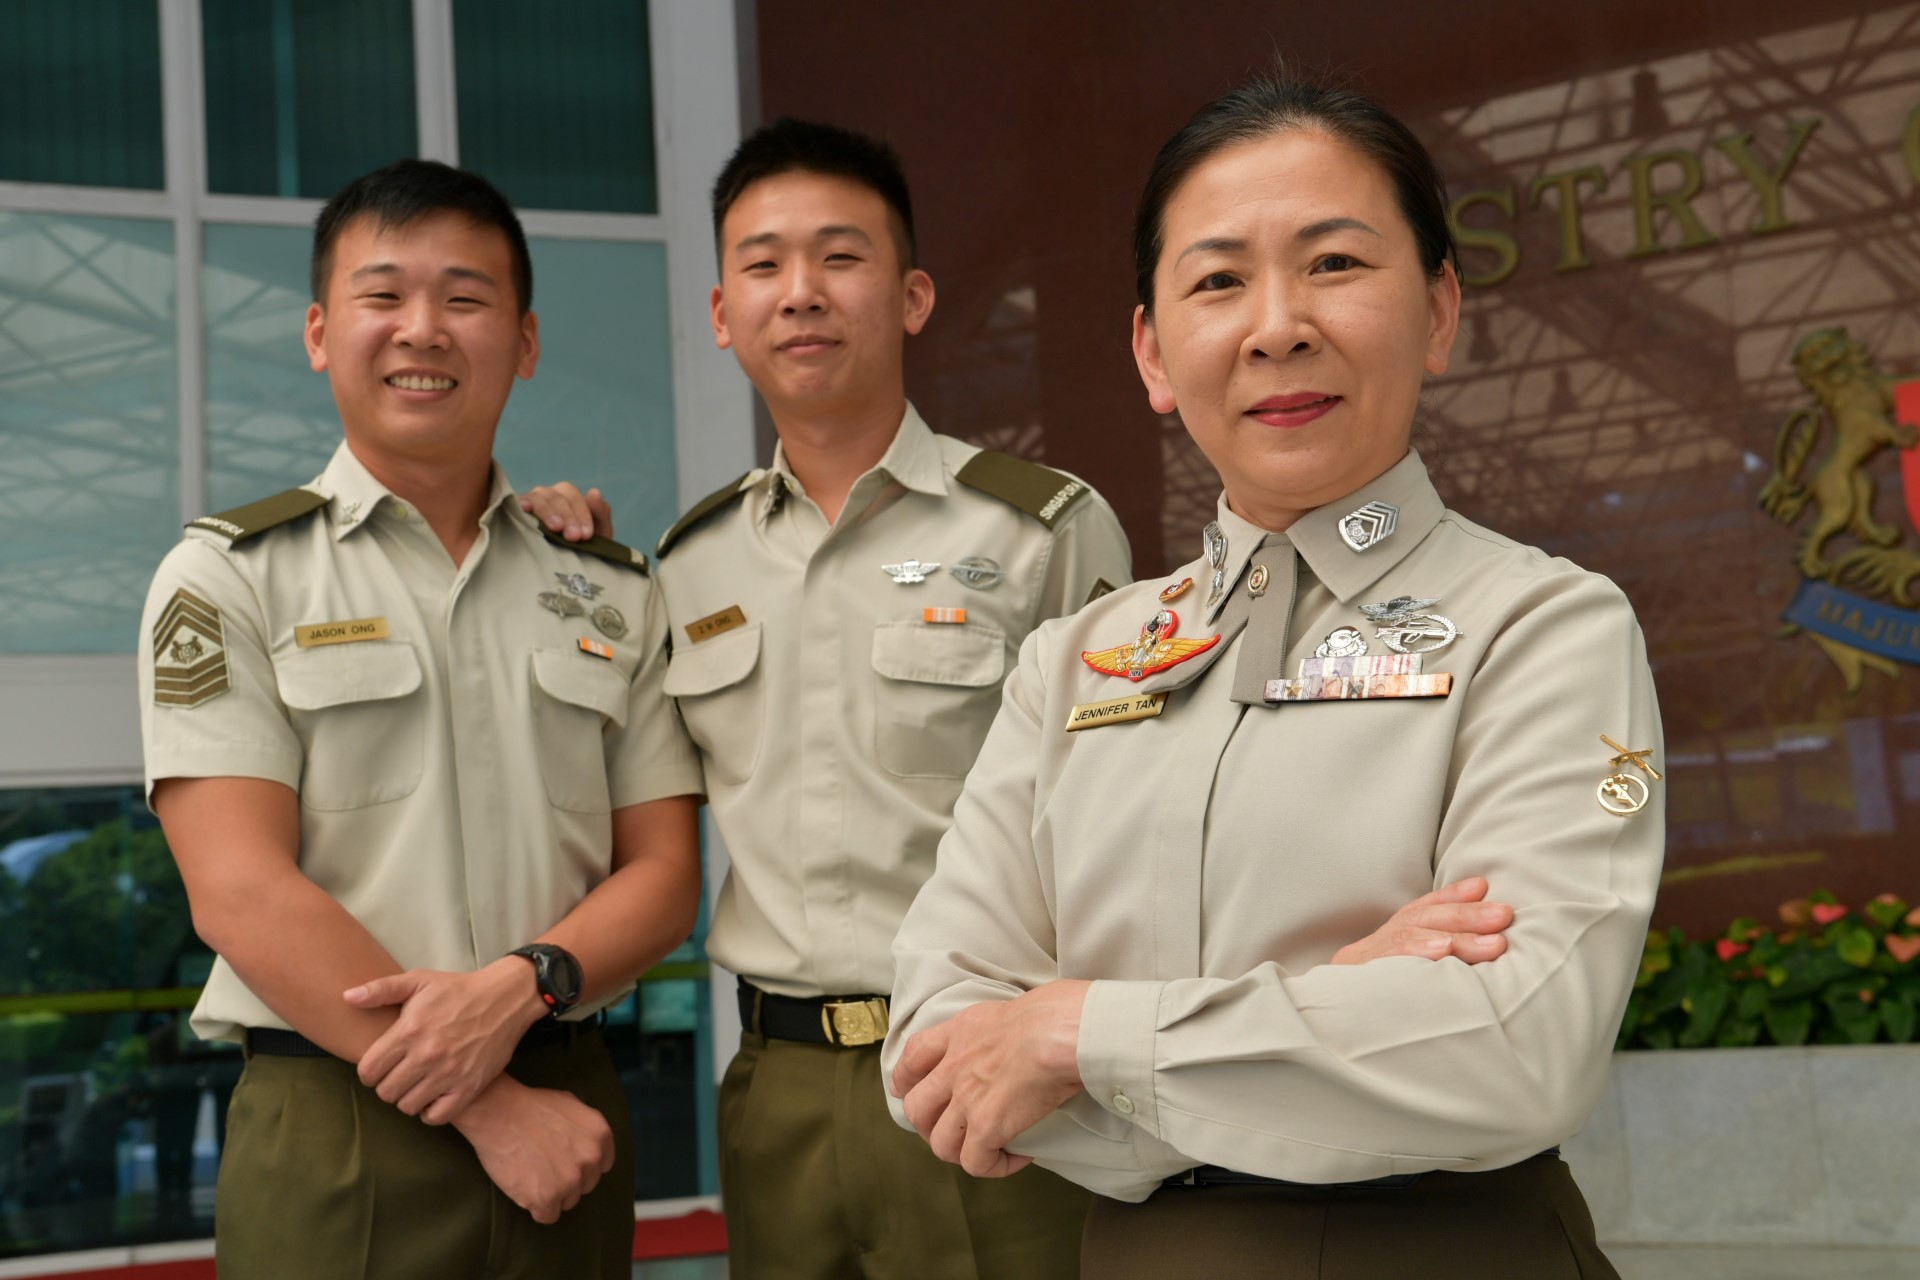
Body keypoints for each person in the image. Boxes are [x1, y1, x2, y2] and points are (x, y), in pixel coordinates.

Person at [528, 117, 1524, 1279]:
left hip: (1002, 1065)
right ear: (719, 312)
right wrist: (546, 538)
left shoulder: (1039, 527)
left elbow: (1142, 807)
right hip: (778, 1084)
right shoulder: (684, 562)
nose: (801, 293)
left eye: (841, 256)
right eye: (763, 264)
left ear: (912, 295)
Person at [882, 71, 1664, 1279]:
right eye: (1217, 280)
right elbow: (943, 1060)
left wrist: (1078, 1032)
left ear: (1439, 310)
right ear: (1152, 352)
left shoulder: (1541, 626)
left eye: (1335, 263)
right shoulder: (1070, 663)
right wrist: (1337, 999)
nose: (1278, 325)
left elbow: (1518, 1049)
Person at [137, 159, 704, 1280]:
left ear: (525, 343)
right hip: (336, 1120)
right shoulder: (230, 575)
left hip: (569, 1101)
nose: (423, 329)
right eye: (384, 294)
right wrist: (486, 1103)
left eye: (465, 297)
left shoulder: (608, 587)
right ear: (318, 332)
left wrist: (523, 985)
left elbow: (663, 872)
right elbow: (239, 888)